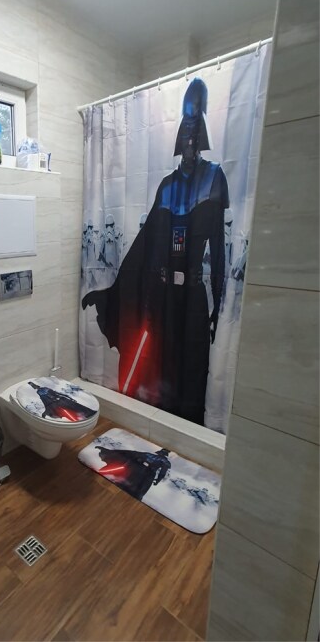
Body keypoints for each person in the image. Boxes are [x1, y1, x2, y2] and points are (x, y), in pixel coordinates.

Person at [83, 77, 229, 425]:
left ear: (202, 138)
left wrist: (218, 304)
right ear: (179, 138)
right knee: (161, 368)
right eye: (186, 134)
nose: (190, 142)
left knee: (191, 370)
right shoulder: (166, 186)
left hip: (194, 297)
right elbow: (144, 246)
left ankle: (189, 438)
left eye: (196, 134)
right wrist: (116, 294)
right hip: (163, 298)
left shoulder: (214, 178)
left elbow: (219, 250)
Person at [96, 446, 171, 500]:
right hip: (145, 473)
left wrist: (110, 451)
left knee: (129, 485)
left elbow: (132, 453)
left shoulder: (148, 454)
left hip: (140, 470)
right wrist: (157, 480)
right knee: (137, 491)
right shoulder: (165, 462)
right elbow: (162, 472)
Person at [28, 381, 97, 421]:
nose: (34, 386)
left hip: (60, 400)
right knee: (71, 408)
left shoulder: (44, 389)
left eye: (34, 385)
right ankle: (78, 419)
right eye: (33, 386)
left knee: (76, 406)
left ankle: (89, 413)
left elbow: (57, 393)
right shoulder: (39, 392)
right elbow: (44, 400)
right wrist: (47, 409)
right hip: (56, 402)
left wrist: (68, 397)